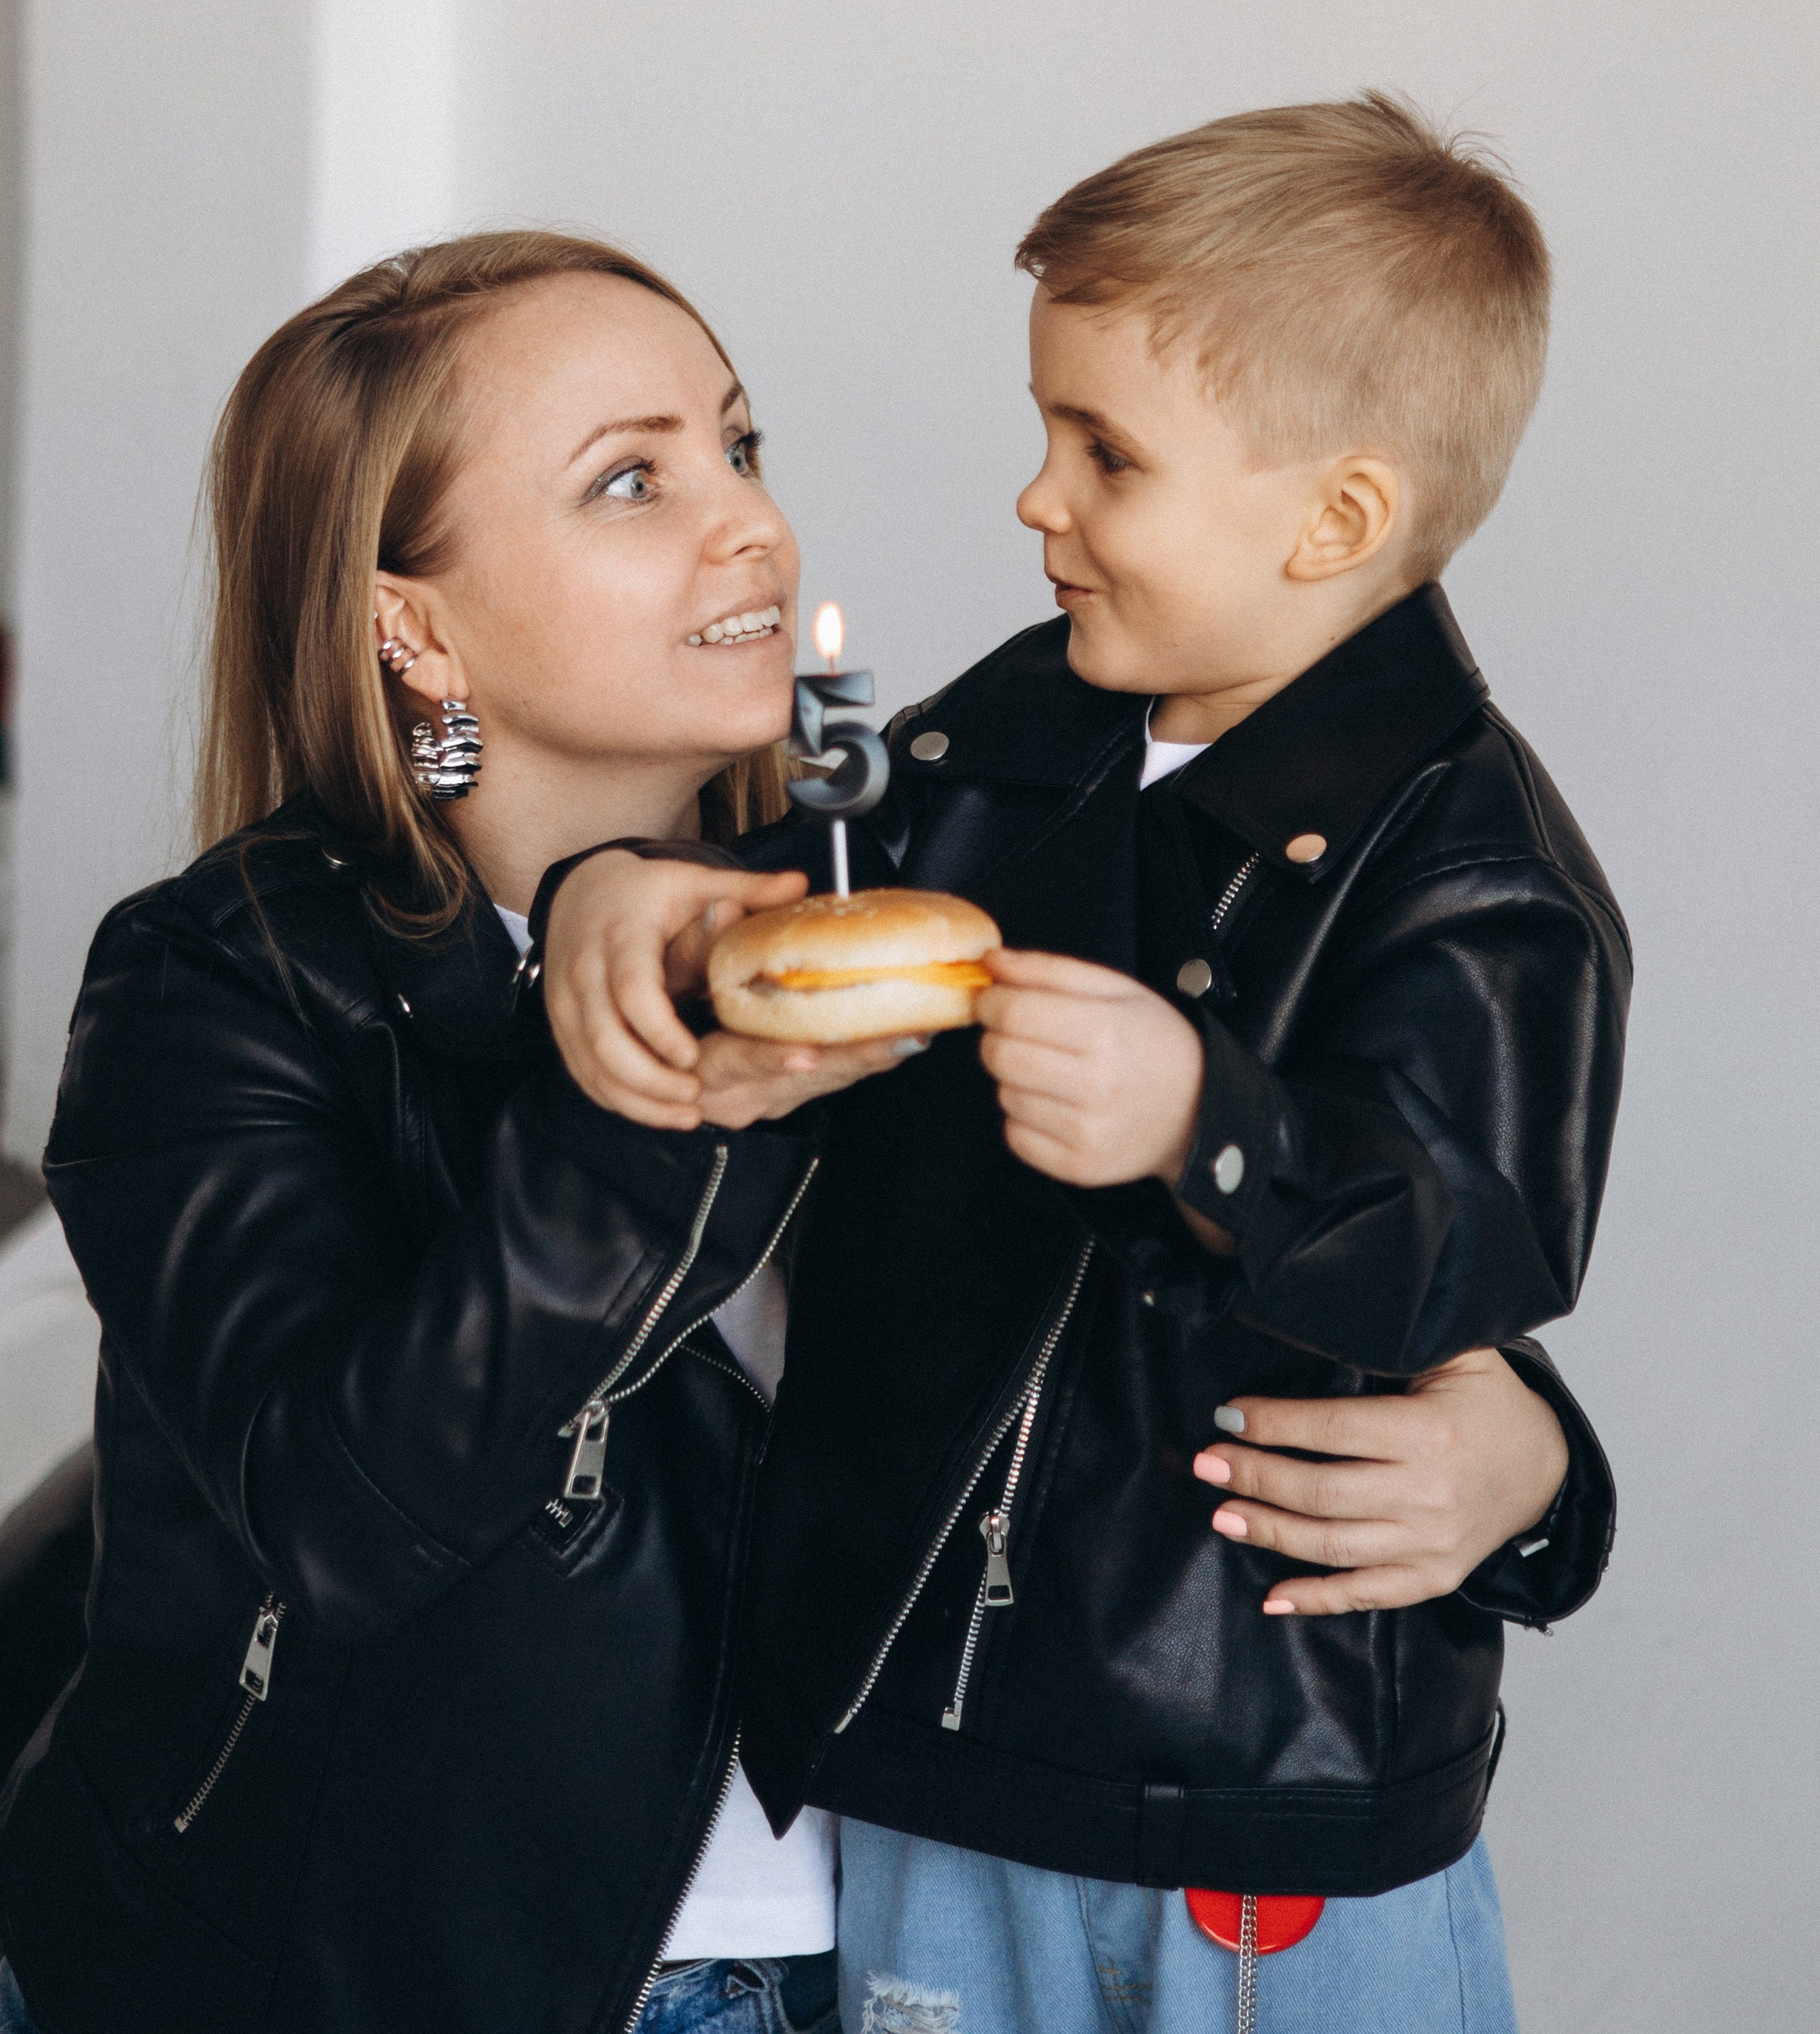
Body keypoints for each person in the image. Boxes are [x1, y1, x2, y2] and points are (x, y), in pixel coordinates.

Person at [0, 219, 1603, 2034]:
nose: (746, 523)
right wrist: (660, 1111)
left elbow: (1155, 1263)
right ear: (408, 624)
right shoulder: (225, 985)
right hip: (384, 1981)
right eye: (630, 483)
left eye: (740, 448)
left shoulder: (915, 876)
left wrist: (1522, 1461)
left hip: (903, 1948)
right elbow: (341, 1513)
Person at [536, 98, 1626, 2034]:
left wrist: (1207, 1123)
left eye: (1103, 452)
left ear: (1339, 519)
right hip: (931, 1740)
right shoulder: (1017, 727)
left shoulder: (1476, 870)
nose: (1036, 499)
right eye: (1048, 431)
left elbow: (1473, 1246)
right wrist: (639, 885)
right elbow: (809, 888)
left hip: (1267, 1794)